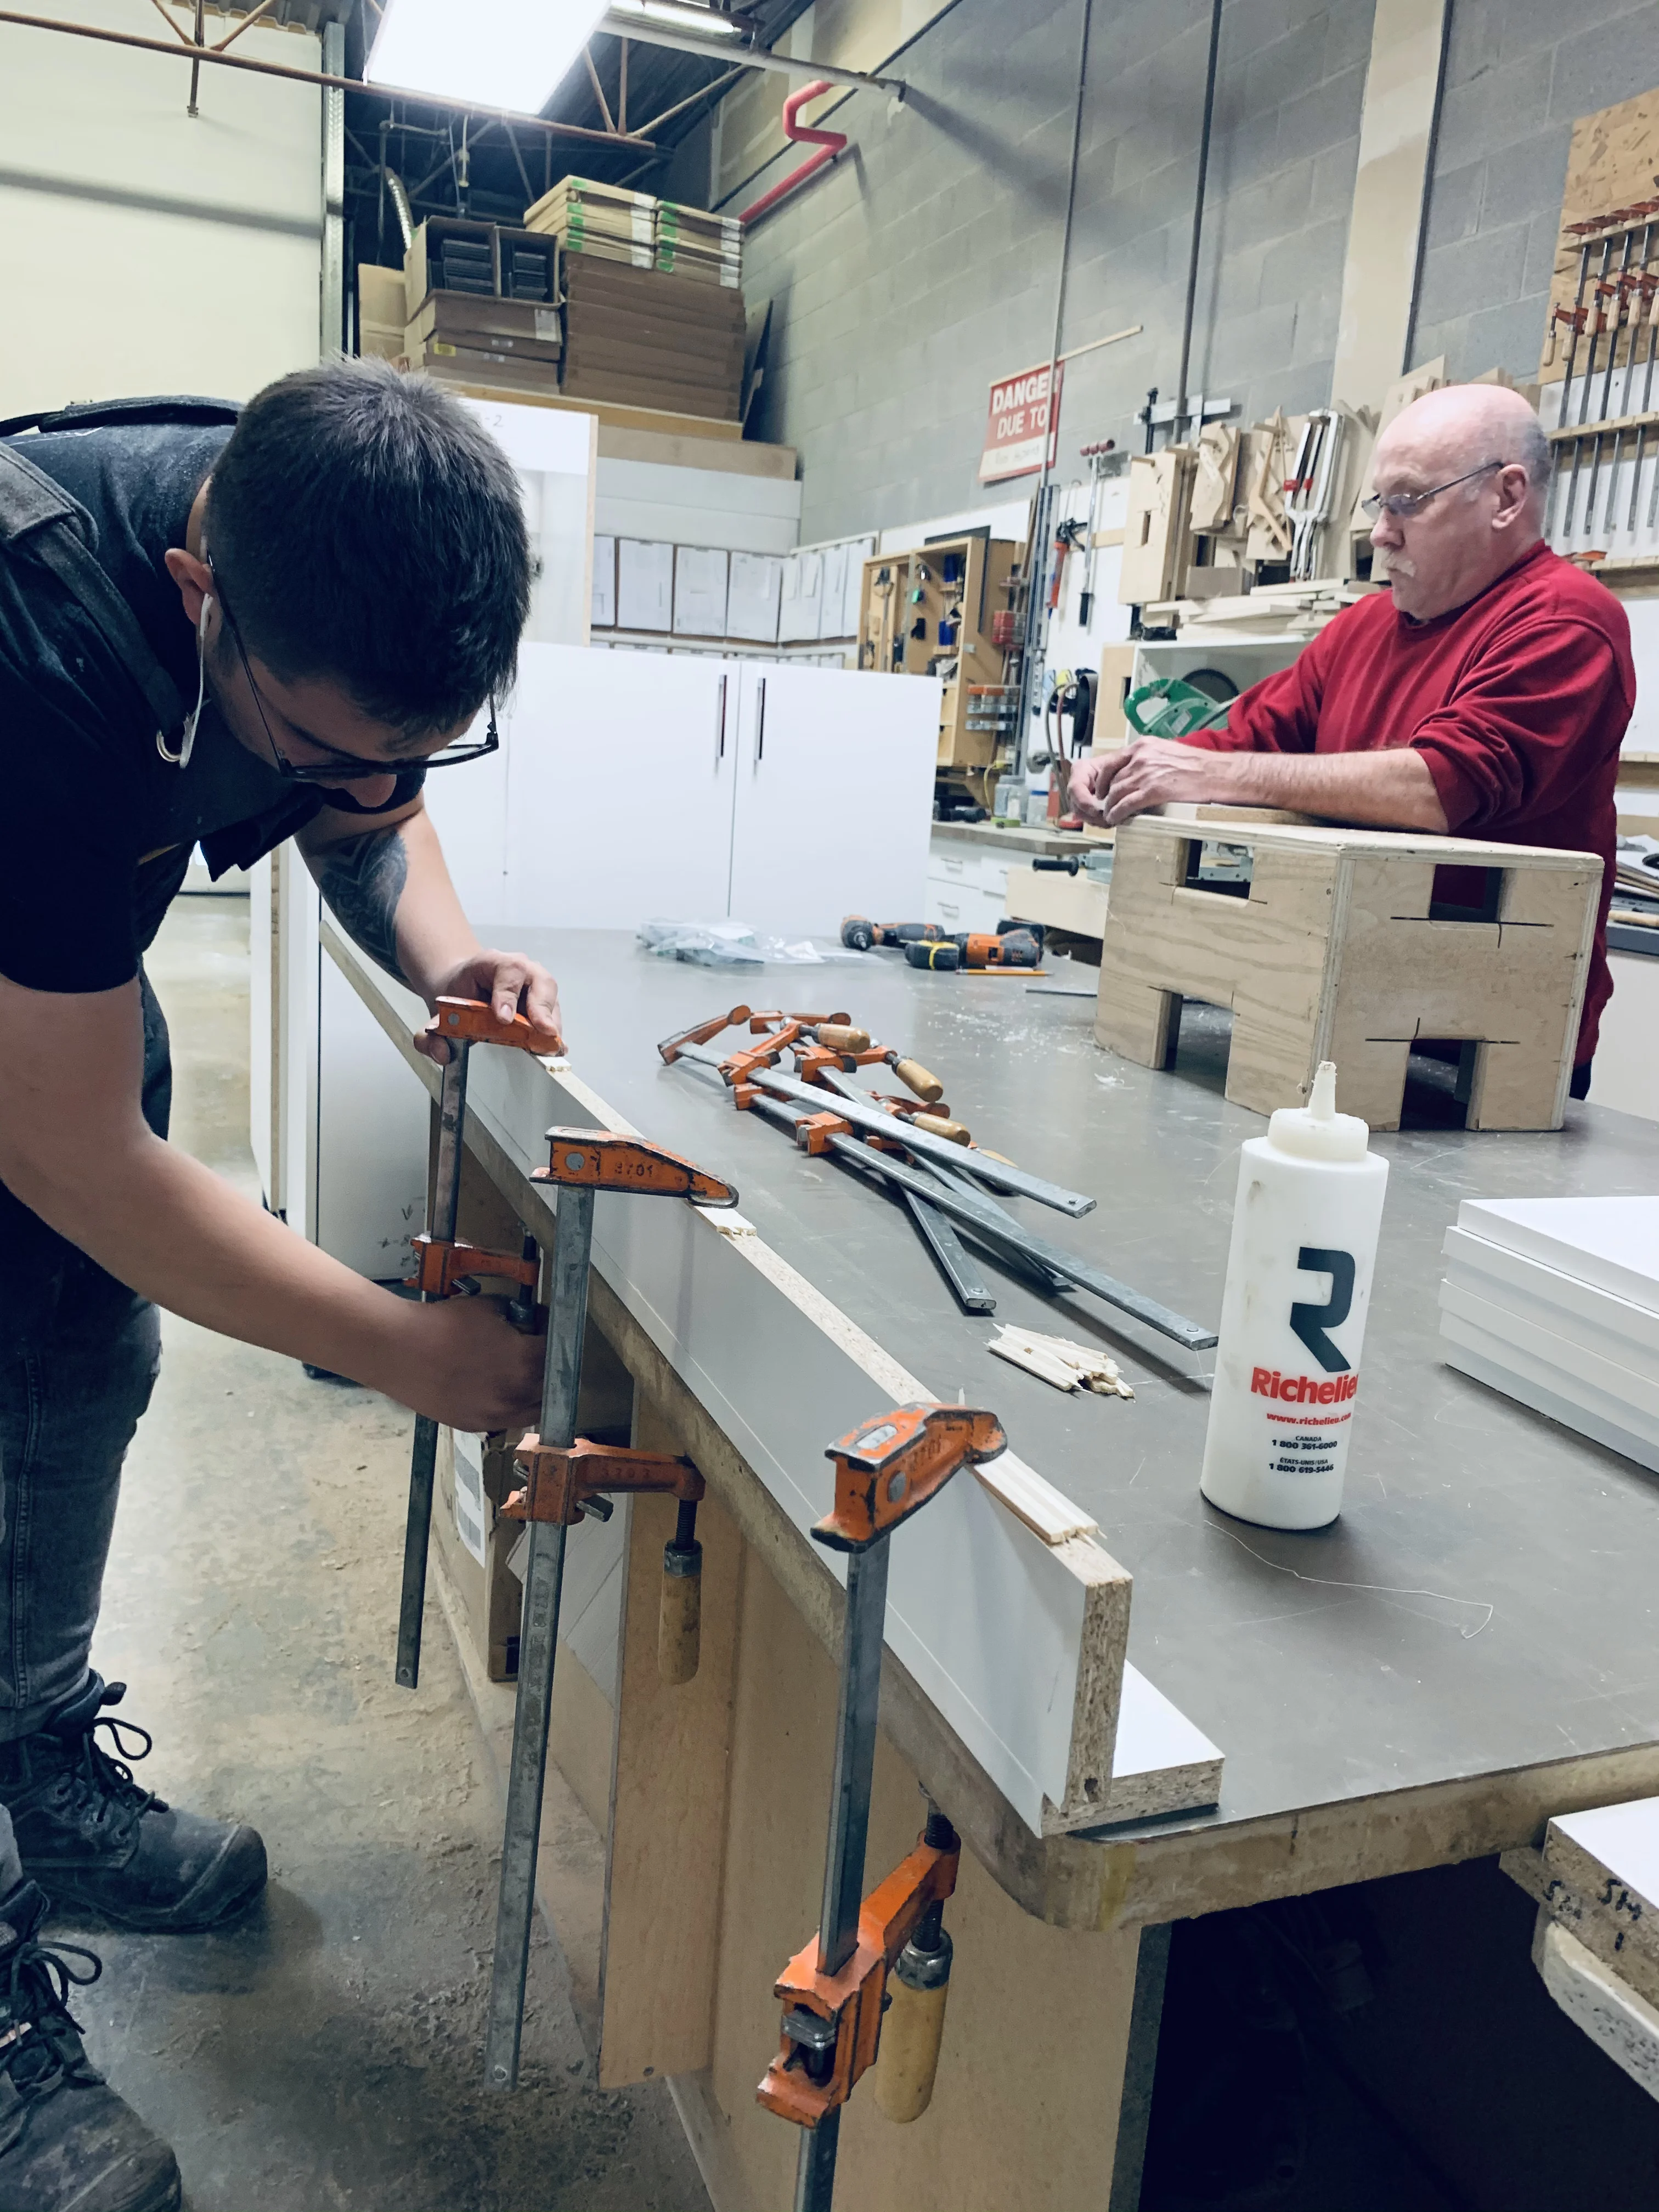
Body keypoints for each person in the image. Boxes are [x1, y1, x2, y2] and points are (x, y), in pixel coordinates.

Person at [0, 362, 562, 2211]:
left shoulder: (316, 562)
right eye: (319, 744)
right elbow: (72, 1151)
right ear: (192, 595)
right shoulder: (44, 649)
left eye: (416, 744)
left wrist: (452, 958)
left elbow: (369, 808)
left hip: (40, 937)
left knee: (80, 1347)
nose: (365, 785)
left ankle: (34, 1756)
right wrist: (405, 1349)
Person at [1069, 382, 1635, 1087]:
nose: (1381, 532)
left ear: (1507, 497)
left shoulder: (1567, 623)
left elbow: (1442, 787)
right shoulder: (1361, 631)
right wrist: (1131, 765)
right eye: (1380, 505)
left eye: (1409, 502)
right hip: (1336, 1005)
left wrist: (1212, 776)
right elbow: (1246, 742)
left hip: (1484, 1044)